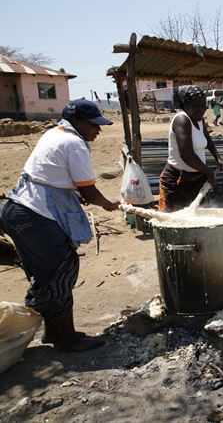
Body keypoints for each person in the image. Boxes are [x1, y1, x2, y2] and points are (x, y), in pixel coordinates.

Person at [1, 99, 119, 352]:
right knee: (61, 271)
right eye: (93, 125)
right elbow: (88, 191)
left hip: (17, 211)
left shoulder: (54, 133)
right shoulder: (74, 143)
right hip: (35, 216)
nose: (97, 130)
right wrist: (107, 203)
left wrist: (75, 195)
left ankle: (53, 333)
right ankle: (67, 339)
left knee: (46, 276)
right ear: (77, 122)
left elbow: (52, 176)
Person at [158, 86, 223, 212]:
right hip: (177, 181)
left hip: (197, 178)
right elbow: (187, 155)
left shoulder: (199, 120)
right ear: (185, 104)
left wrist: (218, 157)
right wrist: (208, 172)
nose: (200, 110)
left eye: (203, 105)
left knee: (198, 217)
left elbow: (206, 138)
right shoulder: (182, 120)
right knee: (175, 221)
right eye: (195, 106)